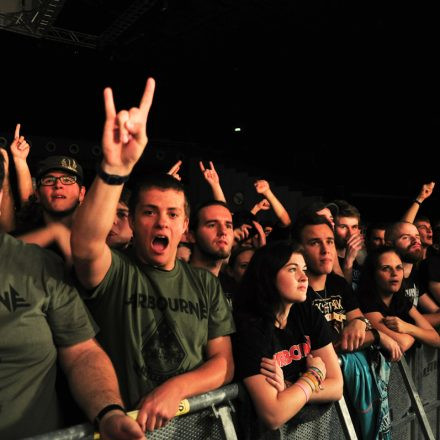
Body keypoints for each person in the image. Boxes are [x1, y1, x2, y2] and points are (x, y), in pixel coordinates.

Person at [71, 78, 235, 433]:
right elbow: (84, 246)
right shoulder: (116, 270)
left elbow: (223, 362)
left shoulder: (204, 283)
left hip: (190, 428)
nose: (162, 221)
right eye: (149, 212)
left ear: (185, 226)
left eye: (173, 214)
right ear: (131, 220)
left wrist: (174, 388)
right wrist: (115, 169)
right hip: (126, 429)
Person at [0, 154, 144, 440]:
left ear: (82, 194)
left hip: (79, 388)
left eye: (67, 180)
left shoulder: (54, 258)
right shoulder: (23, 240)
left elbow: (81, 353)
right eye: (50, 181)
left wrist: (108, 411)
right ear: (38, 193)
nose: (58, 187)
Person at [233, 241, 342, 431]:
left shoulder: (307, 312)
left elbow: (336, 386)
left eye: (304, 269)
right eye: (292, 269)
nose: (303, 277)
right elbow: (273, 414)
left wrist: (290, 388)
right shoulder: (250, 328)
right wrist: (314, 376)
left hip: (311, 432)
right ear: (268, 277)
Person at [358, 247, 440, 351]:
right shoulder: (366, 303)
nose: (394, 273)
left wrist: (407, 328)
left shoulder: (401, 300)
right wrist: (419, 333)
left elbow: (436, 339)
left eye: (399, 267)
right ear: (372, 273)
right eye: (386, 268)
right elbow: (402, 343)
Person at [189, 200, 234, 276]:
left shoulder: (233, 286)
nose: (223, 232)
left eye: (228, 226)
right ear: (192, 236)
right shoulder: (174, 282)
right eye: (212, 225)